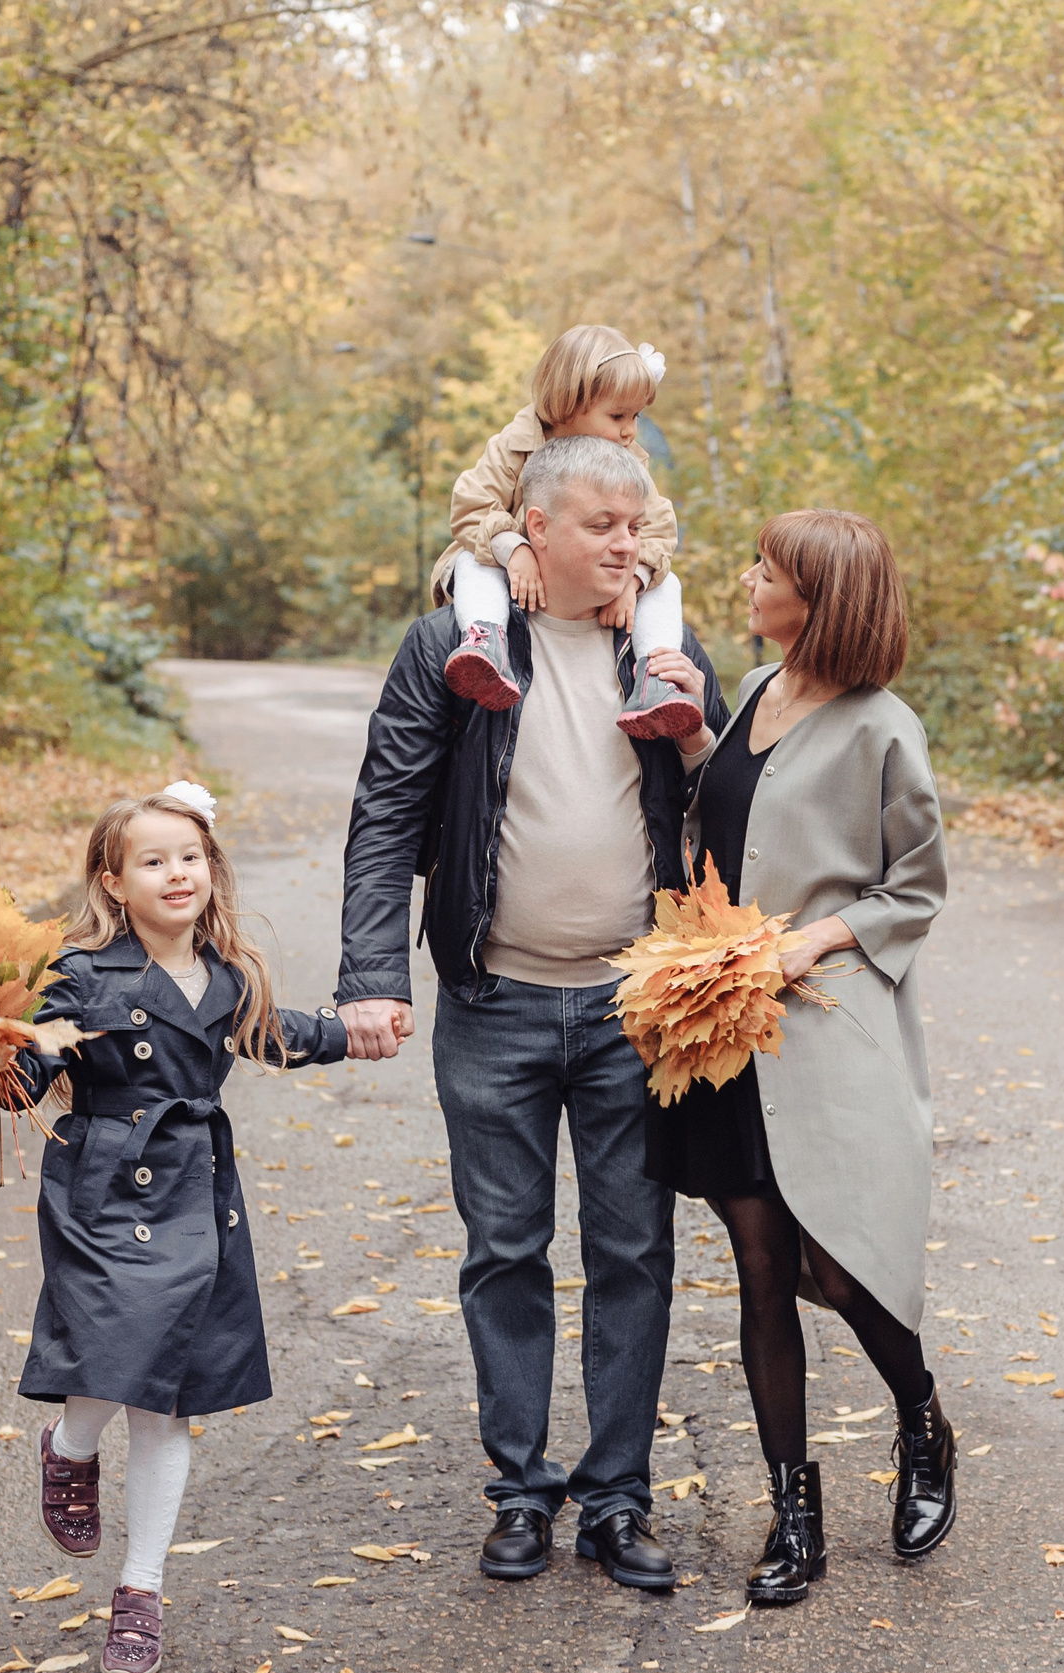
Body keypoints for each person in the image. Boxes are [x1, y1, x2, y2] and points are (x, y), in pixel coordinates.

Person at [334, 434, 727, 1589]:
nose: (627, 545)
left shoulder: (661, 647)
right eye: (602, 526)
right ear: (535, 530)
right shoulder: (453, 645)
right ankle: (519, 1492)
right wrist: (371, 973)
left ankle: (614, 1500)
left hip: (631, 1007)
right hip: (493, 999)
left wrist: (703, 734)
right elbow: (386, 812)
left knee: (632, 1254)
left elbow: (730, 802)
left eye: (636, 524)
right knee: (504, 1250)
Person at [643, 509, 954, 1606]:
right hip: (725, 1034)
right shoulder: (757, 698)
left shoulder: (883, 728)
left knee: (841, 1263)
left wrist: (809, 939)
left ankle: (919, 1421)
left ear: (818, 599)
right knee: (764, 1270)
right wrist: (691, 743)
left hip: (825, 1032)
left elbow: (912, 887)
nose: (746, 581)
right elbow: (727, 821)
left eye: (765, 572)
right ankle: (794, 1515)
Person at [6, 782, 347, 1673]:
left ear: (211, 867)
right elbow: (24, 1079)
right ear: (113, 882)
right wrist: (1, 1055)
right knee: (123, 1343)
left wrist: (353, 1032)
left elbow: (270, 1033)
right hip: (102, 1185)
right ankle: (72, 1448)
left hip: (196, 1187)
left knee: (170, 1392)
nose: (176, 873)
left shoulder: (227, 973)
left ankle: (141, 1594)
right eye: (152, 861)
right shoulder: (79, 972)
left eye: (189, 856)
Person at [436, 323, 701, 741]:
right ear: (569, 403)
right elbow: (470, 504)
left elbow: (659, 527)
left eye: (635, 416)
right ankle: (484, 642)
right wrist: (514, 549)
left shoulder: (626, 457)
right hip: (505, 562)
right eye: (617, 416)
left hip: (581, 583)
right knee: (471, 561)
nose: (630, 430)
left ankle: (658, 679)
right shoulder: (515, 444)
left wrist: (634, 581)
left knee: (667, 585)